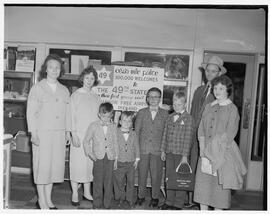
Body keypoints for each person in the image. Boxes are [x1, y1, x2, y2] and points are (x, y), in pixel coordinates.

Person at [193, 75, 247, 210]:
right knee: (202, 189)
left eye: (221, 88)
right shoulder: (209, 107)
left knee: (220, 191)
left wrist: (215, 152)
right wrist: (203, 149)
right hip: (205, 152)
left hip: (222, 153)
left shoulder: (232, 109)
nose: (217, 91)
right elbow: (201, 130)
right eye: (215, 88)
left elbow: (230, 134)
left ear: (228, 90)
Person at [27, 54, 71, 209]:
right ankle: (41, 200)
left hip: (59, 134)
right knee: (42, 167)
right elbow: (31, 113)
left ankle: (48, 199)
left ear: (61, 70)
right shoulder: (37, 88)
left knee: (53, 168)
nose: (54, 70)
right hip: (42, 134)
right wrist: (33, 133)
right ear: (46, 69)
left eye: (57, 67)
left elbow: (68, 114)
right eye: (51, 67)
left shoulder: (64, 90)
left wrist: (67, 132)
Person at [188, 55, 227, 207]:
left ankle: (211, 201)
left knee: (209, 170)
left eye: (213, 71)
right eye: (208, 71)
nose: (210, 74)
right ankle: (193, 200)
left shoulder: (222, 93)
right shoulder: (199, 90)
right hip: (195, 135)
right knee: (194, 166)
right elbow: (193, 113)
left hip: (211, 138)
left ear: (219, 74)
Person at [69, 66, 101, 206]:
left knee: (89, 165)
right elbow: (70, 116)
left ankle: (87, 192)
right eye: (87, 78)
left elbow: (99, 117)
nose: (89, 80)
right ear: (82, 78)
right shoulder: (75, 95)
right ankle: (75, 192)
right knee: (77, 165)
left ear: (95, 80)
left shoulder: (96, 96)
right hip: (79, 135)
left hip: (92, 137)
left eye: (92, 78)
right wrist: (73, 134)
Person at [159, 91, 194, 210]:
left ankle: (178, 203)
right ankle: (169, 201)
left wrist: (185, 156)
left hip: (181, 154)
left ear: (184, 104)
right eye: (175, 104)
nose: (176, 106)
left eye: (179, 104)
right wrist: (163, 150)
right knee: (169, 177)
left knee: (180, 178)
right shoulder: (170, 117)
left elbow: (188, 138)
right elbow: (165, 134)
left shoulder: (188, 118)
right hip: (169, 152)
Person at [134, 87, 169, 207]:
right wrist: (136, 151)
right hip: (143, 149)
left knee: (156, 175)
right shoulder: (141, 112)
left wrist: (164, 150)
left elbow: (166, 134)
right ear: (147, 99)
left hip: (158, 150)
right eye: (151, 96)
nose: (153, 99)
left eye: (156, 96)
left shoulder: (165, 114)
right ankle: (141, 196)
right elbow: (136, 132)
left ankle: (155, 197)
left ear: (160, 99)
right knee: (142, 174)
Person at [82, 102, 118, 209]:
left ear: (112, 115)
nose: (106, 119)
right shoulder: (93, 126)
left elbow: (116, 143)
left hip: (110, 158)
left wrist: (116, 159)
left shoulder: (113, 126)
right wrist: (90, 154)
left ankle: (107, 204)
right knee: (97, 181)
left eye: (108, 116)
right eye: (103, 116)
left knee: (108, 182)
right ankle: (96, 204)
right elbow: (86, 141)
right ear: (99, 114)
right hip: (98, 158)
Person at [113, 111, 140, 208]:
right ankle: (120, 198)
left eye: (129, 121)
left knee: (130, 181)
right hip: (119, 161)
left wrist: (137, 159)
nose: (127, 123)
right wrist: (115, 159)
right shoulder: (115, 132)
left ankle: (129, 199)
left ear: (132, 123)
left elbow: (137, 146)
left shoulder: (133, 133)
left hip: (131, 162)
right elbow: (114, 146)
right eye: (124, 121)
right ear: (120, 122)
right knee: (119, 182)